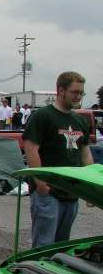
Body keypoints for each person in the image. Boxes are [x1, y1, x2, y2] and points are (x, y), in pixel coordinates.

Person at [23, 71, 93, 248]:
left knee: (62, 246)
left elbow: (85, 153)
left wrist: (90, 189)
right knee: (44, 245)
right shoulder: (42, 116)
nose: (79, 96)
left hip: (72, 191)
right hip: (48, 193)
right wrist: (40, 183)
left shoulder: (80, 121)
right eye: (75, 92)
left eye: (81, 93)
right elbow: (31, 149)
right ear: (61, 90)